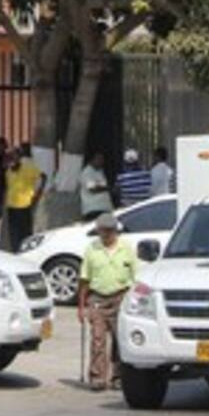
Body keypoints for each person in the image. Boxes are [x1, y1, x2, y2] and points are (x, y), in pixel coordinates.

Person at [77, 211, 137, 391]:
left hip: (120, 296)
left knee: (120, 340)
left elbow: (135, 277)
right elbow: (84, 279)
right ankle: (98, 377)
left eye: (110, 231)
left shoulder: (126, 248)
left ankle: (118, 376)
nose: (107, 235)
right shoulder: (92, 249)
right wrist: (81, 307)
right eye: (104, 231)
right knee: (97, 339)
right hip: (97, 298)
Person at [5, 143, 45, 251]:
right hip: (11, 206)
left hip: (25, 205)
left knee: (25, 233)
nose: (11, 161)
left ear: (19, 158)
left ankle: (26, 251)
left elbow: (42, 177)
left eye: (14, 158)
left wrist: (37, 194)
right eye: (10, 159)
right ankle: (15, 251)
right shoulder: (9, 171)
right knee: (13, 233)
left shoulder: (29, 169)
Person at [78, 151, 113, 221]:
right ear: (92, 160)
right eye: (99, 159)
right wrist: (109, 188)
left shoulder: (100, 171)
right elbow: (92, 189)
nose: (101, 161)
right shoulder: (87, 172)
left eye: (102, 159)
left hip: (104, 209)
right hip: (94, 209)